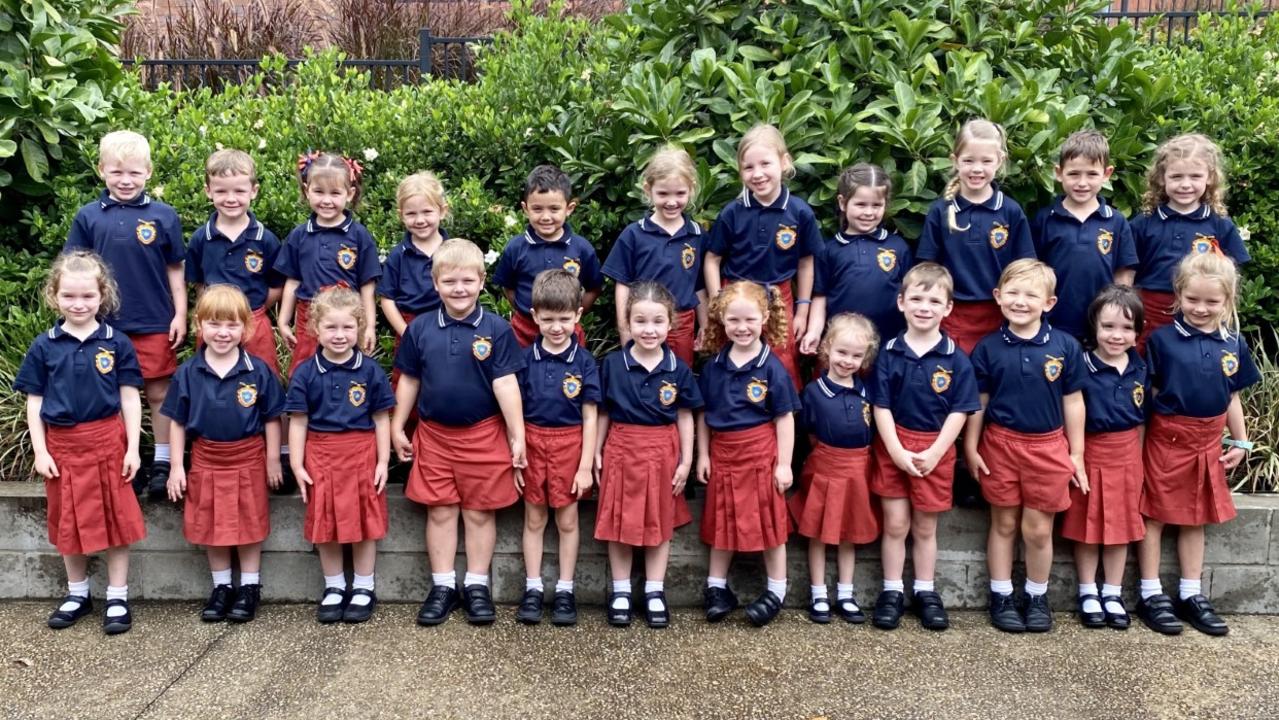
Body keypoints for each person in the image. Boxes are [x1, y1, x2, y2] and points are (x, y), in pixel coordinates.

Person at [393, 239, 527, 627]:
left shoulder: (497, 329)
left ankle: (477, 585)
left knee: (479, 513)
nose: (459, 289)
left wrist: (517, 435)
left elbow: (506, 384)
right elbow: (409, 382)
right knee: (440, 511)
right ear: (435, 283)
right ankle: (442, 586)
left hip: (483, 436)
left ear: (482, 282)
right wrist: (397, 425)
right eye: (450, 281)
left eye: (468, 280)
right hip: (434, 436)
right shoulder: (419, 330)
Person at [16, 251, 146, 634]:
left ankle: (118, 596)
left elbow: (129, 397)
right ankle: (77, 594)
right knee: (68, 522)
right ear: (54, 296)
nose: (78, 304)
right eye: (69, 296)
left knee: (116, 523)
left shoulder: (116, 343)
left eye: (87, 296)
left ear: (102, 296)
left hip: (108, 442)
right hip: (62, 448)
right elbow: (34, 401)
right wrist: (40, 451)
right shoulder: (44, 346)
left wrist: (134, 448)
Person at [1137, 251, 1259, 637]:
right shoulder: (1161, 340)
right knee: (1154, 514)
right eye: (1193, 300)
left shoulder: (1233, 343)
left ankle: (1190, 593)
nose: (1201, 309)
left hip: (1208, 440)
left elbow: (1232, 396)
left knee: (1195, 516)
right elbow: (1147, 394)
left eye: (1212, 301)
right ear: (1178, 293)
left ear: (1228, 300)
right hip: (1167, 437)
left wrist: (1240, 440)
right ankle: (1150, 593)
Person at [965, 259, 1087, 633]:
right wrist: (971, 447)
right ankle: (1001, 594)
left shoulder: (1064, 346)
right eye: (1013, 293)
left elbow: (1074, 401)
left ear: (1048, 303)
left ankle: (1037, 595)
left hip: (1048, 447)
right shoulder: (987, 348)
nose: (1021, 301)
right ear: (998, 297)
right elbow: (978, 403)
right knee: (1003, 523)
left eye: (1031, 295)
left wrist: (1076, 453)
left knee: (1037, 529)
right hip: (1000, 444)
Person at [64, 130, 186, 499]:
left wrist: (180, 314)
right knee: (112, 395)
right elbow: (73, 268)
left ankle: (162, 462)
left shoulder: (163, 216)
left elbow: (176, 272)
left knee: (159, 393)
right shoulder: (88, 217)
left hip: (153, 321)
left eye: (134, 172)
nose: (126, 180)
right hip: (102, 328)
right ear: (102, 171)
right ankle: (122, 461)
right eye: (117, 173)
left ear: (148, 172)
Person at [162, 285, 284, 623]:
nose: (223, 332)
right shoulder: (188, 372)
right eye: (214, 324)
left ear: (247, 328)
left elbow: (273, 417)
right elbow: (177, 423)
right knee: (211, 524)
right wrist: (176, 466)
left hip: (248, 457)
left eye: (232, 325)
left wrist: (273, 459)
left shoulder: (257, 370)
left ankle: (248, 586)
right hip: (206, 459)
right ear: (200, 326)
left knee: (249, 521)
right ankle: (221, 587)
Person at [869, 263, 980, 631]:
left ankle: (925, 591)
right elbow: (880, 406)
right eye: (916, 298)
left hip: (936, 449)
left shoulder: (956, 359)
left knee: (925, 528)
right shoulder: (889, 353)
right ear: (901, 302)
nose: (924, 307)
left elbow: (961, 411)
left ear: (948, 308)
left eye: (934, 300)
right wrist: (897, 452)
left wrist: (934, 453)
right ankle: (891, 591)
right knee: (896, 524)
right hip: (894, 445)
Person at [593, 281, 701, 628]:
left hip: (663, 452)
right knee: (619, 523)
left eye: (657, 321)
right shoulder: (612, 364)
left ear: (671, 324)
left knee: (660, 522)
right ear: (628, 322)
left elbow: (685, 414)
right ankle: (621, 590)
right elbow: (604, 413)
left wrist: (686, 459)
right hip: (621, 449)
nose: (649, 329)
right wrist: (594, 451)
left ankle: (655, 590)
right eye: (640, 321)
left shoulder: (678, 369)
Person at [284, 286, 394, 624]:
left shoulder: (370, 371)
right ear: (315, 328)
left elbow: (380, 418)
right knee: (325, 523)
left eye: (348, 327)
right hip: (321, 455)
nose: (340, 335)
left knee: (364, 523)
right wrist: (296, 463)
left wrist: (383, 461)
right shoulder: (305, 373)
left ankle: (363, 586)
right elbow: (299, 422)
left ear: (359, 327)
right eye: (331, 327)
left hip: (361, 454)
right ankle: (334, 586)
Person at [697, 281, 801, 627]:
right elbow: (703, 417)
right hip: (723, 454)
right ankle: (716, 587)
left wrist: (784, 464)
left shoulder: (773, 367)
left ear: (765, 318)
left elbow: (784, 418)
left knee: (770, 524)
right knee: (722, 522)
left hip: (761, 455)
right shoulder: (713, 367)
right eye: (733, 320)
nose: (741, 328)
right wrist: (703, 455)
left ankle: (776, 590)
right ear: (721, 321)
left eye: (749, 320)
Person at [704, 124, 821, 388]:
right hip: (735, 296)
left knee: (783, 361)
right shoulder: (732, 212)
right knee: (733, 356)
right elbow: (712, 259)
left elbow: (806, 263)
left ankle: (783, 422)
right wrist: (717, 303)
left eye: (765, 164)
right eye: (748, 167)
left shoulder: (799, 212)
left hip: (779, 296)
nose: (757, 174)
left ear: (784, 162)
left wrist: (802, 310)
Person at [515, 270, 601, 626]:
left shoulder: (584, 363)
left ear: (578, 315)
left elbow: (591, 417)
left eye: (564, 319)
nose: (555, 327)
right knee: (534, 518)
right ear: (534, 316)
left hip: (569, 444)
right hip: (533, 441)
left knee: (567, 520)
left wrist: (584, 466)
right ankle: (533, 587)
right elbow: (515, 408)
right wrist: (517, 451)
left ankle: (565, 589)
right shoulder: (523, 359)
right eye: (547, 319)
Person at [1061, 285, 1147, 630]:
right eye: (1108, 327)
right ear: (1094, 327)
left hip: (1127, 454)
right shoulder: (1080, 364)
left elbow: (1143, 419)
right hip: (1090, 451)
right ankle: (1087, 591)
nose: (1117, 335)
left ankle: (1112, 591)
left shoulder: (1140, 366)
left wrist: (1138, 459)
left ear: (1138, 332)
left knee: (1121, 528)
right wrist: (1074, 455)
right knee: (1088, 526)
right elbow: (1072, 411)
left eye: (1127, 328)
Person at [788, 313, 881, 625]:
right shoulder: (814, 392)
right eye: (842, 352)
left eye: (857, 355)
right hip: (824, 468)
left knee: (848, 534)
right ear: (827, 349)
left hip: (858, 470)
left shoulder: (867, 391)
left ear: (866, 357)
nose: (848, 361)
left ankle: (845, 593)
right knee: (817, 532)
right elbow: (807, 432)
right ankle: (818, 593)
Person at [916, 119, 1034, 354]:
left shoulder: (1010, 211)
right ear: (955, 161)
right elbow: (928, 268)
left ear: (999, 161)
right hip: (952, 315)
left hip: (1001, 314)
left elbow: (1025, 269)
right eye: (968, 160)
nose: (977, 169)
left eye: (986, 161)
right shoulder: (941, 211)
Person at [1131, 133, 1249, 350]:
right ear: (1161, 178)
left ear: (1210, 178)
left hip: (1199, 310)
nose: (1186, 184)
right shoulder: (1144, 223)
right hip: (1151, 308)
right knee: (1148, 365)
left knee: (1189, 364)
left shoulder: (1219, 224)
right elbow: (1126, 270)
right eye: (1176, 177)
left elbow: (1232, 271)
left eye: (1195, 176)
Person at [277, 151, 381, 376]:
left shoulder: (359, 236)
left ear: (350, 194)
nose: (326, 200)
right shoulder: (299, 235)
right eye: (318, 192)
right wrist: (284, 320)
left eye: (335, 193)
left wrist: (369, 326)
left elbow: (367, 286)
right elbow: (293, 279)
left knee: (347, 372)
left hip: (347, 317)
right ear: (307, 191)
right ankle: (302, 411)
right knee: (305, 370)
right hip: (309, 316)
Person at [602, 146, 708, 365]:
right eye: (663, 193)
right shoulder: (634, 234)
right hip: (642, 324)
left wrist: (706, 325)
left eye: (680, 193)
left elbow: (699, 286)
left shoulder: (697, 235)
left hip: (681, 323)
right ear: (648, 190)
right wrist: (624, 328)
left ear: (692, 189)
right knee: (641, 379)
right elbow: (623, 284)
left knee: (677, 381)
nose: (671, 201)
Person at [185, 149, 284, 374]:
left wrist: (251, 311)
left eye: (239, 191)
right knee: (210, 376)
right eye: (221, 191)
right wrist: (215, 310)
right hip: (213, 321)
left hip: (254, 320)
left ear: (254, 191)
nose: (231, 199)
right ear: (208, 191)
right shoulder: (201, 238)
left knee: (263, 378)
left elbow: (276, 285)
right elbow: (199, 283)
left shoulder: (265, 239)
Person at [1032, 130, 1137, 340]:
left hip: (1100, 325)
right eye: (1073, 174)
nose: (1082, 183)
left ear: (1106, 174)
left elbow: (1124, 275)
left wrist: (1117, 315)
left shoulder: (1116, 222)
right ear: (1059, 172)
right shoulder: (1045, 219)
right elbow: (1032, 272)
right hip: (1053, 322)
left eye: (1091, 174)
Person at [800, 164, 911, 351]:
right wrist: (814, 332)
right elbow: (820, 297)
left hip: (890, 346)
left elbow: (910, 294)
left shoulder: (898, 247)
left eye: (877, 205)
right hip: (843, 350)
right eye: (861, 204)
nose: (869, 212)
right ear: (843, 203)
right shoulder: (829, 250)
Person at [494, 164, 603, 347]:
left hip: (566, 328)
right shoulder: (516, 248)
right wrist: (525, 310)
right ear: (525, 208)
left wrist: (572, 313)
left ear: (569, 208)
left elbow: (594, 287)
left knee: (571, 373)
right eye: (537, 209)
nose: (545, 217)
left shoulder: (581, 249)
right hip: (524, 328)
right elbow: (509, 286)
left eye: (554, 209)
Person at [379, 171, 448, 346]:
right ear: (401, 215)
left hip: (450, 324)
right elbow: (387, 299)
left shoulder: (453, 251)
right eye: (411, 214)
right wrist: (406, 332)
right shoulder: (397, 256)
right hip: (410, 327)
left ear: (442, 211)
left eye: (427, 212)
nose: (420, 220)